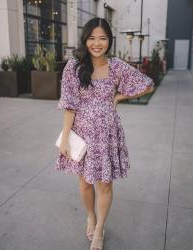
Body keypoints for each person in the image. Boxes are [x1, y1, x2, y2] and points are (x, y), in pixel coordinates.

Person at [54, 17, 155, 250]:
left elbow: (147, 85)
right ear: (85, 40)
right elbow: (69, 104)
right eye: (91, 38)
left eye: (102, 38)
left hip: (108, 134)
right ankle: (91, 217)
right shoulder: (74, 66)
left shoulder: (117, 66)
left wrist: (119, 96)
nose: (96, 43)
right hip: (82, 134)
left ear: (109, 40)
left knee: (106, 184)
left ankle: (99, 229)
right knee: (86, 182)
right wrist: (65, 138)